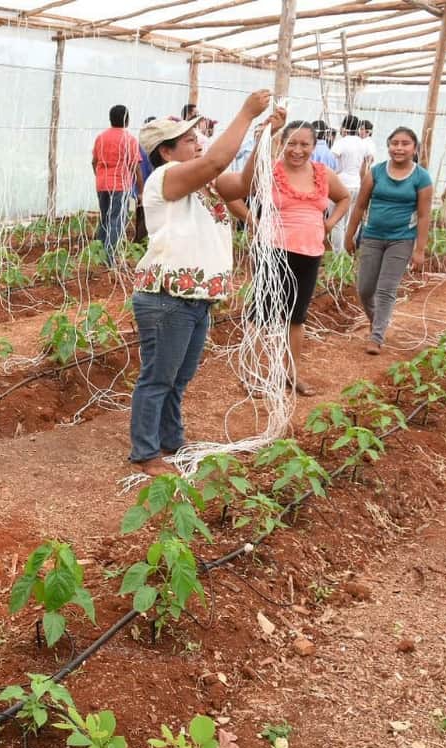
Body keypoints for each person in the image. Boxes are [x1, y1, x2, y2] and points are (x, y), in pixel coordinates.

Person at [128, 90, 273, 476]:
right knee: (159, 377)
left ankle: (171, 441)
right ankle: (145, 453)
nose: (199, 144)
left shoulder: (205, 185)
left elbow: (245, 184)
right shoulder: (166, 178)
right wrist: (245, 113)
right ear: (166, 151)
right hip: (167, 297)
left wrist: (262, 138)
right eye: (189, 140)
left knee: (178, 377)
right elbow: (215, 160)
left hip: (195, 298)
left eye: (197, 137)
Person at [229, 120, 352, 396]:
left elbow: (344, 198)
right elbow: (231, 196)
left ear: (314, 145)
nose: (297, 150)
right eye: (291, 143)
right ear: (282, 144)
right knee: (261, 314)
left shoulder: (323, 173)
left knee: (296, 318)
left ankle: (291, 374)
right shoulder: (268, 171)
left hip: (310, 253)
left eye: (304, 144)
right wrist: (253, 221)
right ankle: (250, 375)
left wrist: (329, 225)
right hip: (272, 251)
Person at [344, 127, 434, 355]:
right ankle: (378, 322)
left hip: (401, 239)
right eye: (395, 143)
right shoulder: (376, 172)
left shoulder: (421, 177)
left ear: (414, 148)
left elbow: (424, 215)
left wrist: (419, 249)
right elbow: (360, 206)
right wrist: (349, 234)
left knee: (386, 289)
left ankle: (376, 336)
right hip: (372, 236)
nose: (399, 148)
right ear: (388, 146)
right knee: (364, 289)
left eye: (405, 144)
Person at [92, 104, 142, 266]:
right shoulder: (130, 140)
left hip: (102, 184)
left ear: (110, 119)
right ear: (127, 120)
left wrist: (100, 176)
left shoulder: (101, 137)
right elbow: (135, 166)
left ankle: (98, 254)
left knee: (104, 218)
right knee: (117, 220)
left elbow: (94, 161)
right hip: (120, 185)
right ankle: (109, 258)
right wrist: (140, 190)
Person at [330, 114, 372, 249]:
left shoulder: (341, 142)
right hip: (357, 184)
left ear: (344, 127)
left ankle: (338, 255)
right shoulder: (362, 143)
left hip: (341, 184)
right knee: (350, 221)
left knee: (337, 221)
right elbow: (368, 161)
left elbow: (332, 161)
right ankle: (349, 250)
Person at [133, 115, 158, 243]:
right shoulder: (154, 147)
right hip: (147, 185)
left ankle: (140, 239)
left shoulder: (140, 144)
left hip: (141, 185)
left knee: (141, 212)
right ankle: (141, 240)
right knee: (146, 213)